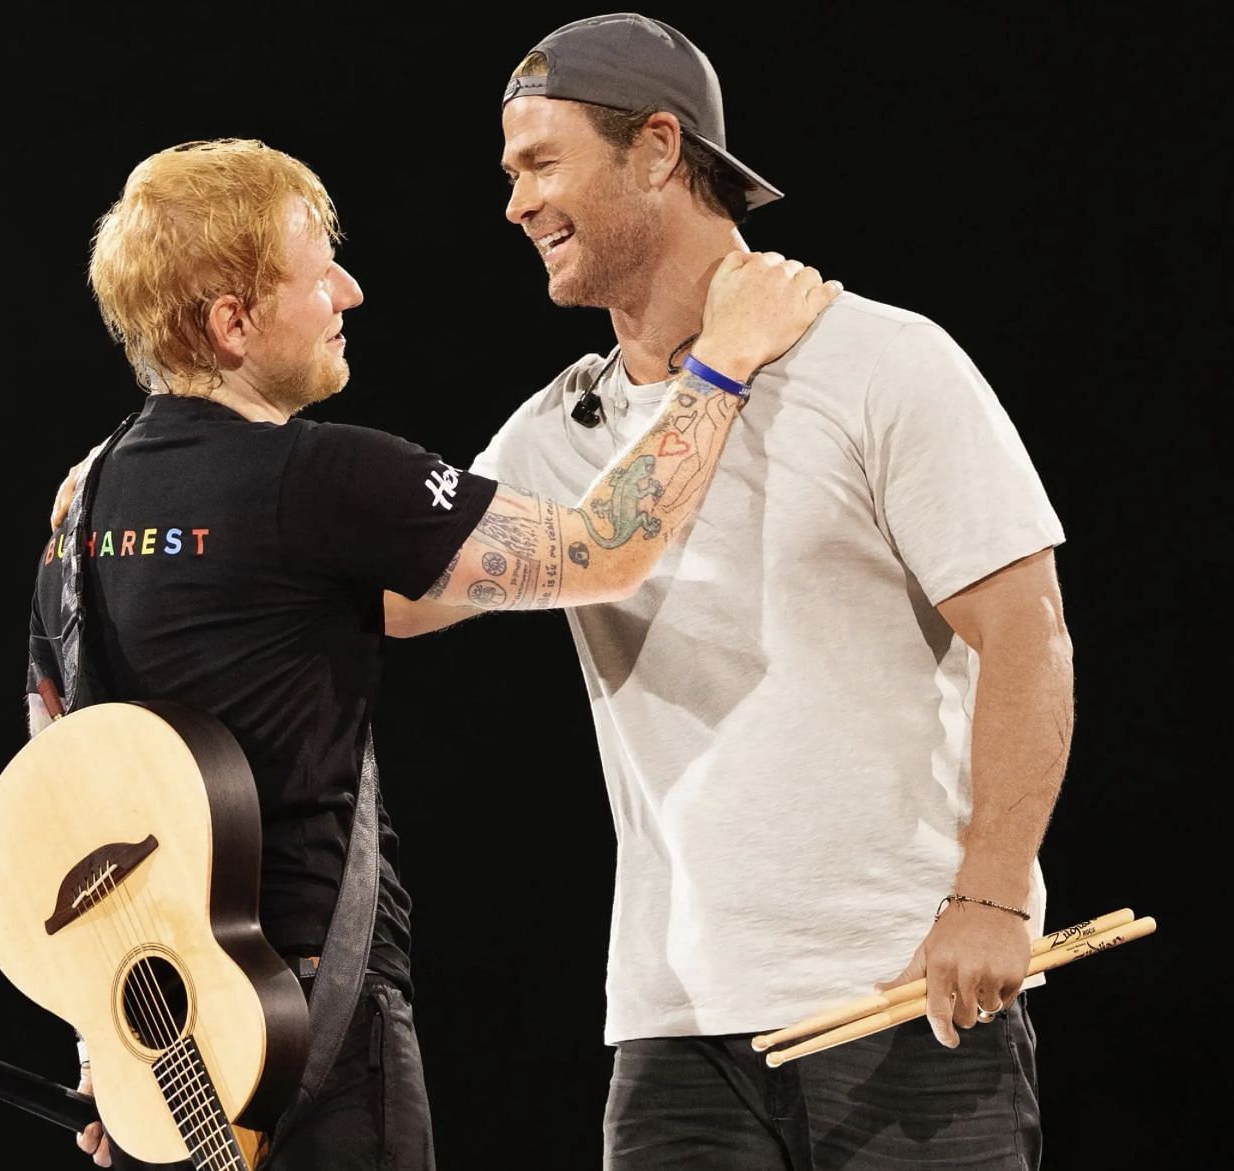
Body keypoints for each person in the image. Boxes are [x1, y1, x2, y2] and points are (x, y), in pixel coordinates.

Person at [26, 137, 838, 1170]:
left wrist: (114, 1033)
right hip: (309, 1022)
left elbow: (56, 785)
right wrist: (724, 359)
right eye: (317, 271)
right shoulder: (321, 479)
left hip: (167, 1040)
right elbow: (602, 552)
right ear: (233, 322)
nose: (350, 292)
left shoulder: (80, 504)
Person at [380, 13, 1075, 1169]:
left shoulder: (885, 361)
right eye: (511, 173)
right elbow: (396, 600)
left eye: (541, 163)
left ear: (658, 149)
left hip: (903, 996)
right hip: (672, 1032)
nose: (514, 203)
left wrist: (996, 893)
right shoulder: (564, 431)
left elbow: (1026, 631)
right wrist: (191, 447)